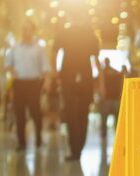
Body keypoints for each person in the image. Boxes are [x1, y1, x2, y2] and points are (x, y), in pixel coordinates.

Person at [53, 8, 104, 161]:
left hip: (69, 76)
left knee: (71, 113)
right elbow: (97, 60)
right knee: (83, 113)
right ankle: (78, 148)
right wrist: (101, 84)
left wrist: (56, 73)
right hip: (84, 76)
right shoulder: (89, 34)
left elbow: (53, 52)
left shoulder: (65, 32)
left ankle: (76, 149)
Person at [5, 20, 51, 151]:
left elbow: (46, 67)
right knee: (19, 114)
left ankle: (38, 139)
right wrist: (12, 72)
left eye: (29, 29)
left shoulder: (39, 49)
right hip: (19, 83)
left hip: (34, 84)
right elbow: (7, 65)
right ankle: (21, 142)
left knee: (35, 112)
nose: (26, 32)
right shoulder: (15, 48)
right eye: (24, 29)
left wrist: (47, 82)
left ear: (33, 31)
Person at [99, 58, 123, 137]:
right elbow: (121, 82)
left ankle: (103, 136)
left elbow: (101, 84)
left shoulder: (103, 72)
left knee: (104, 119)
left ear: (105, 63)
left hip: (106, 98)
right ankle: (118, 135)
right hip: (115, 98)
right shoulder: (115, 71)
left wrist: (101, 94)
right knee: (117, 119)